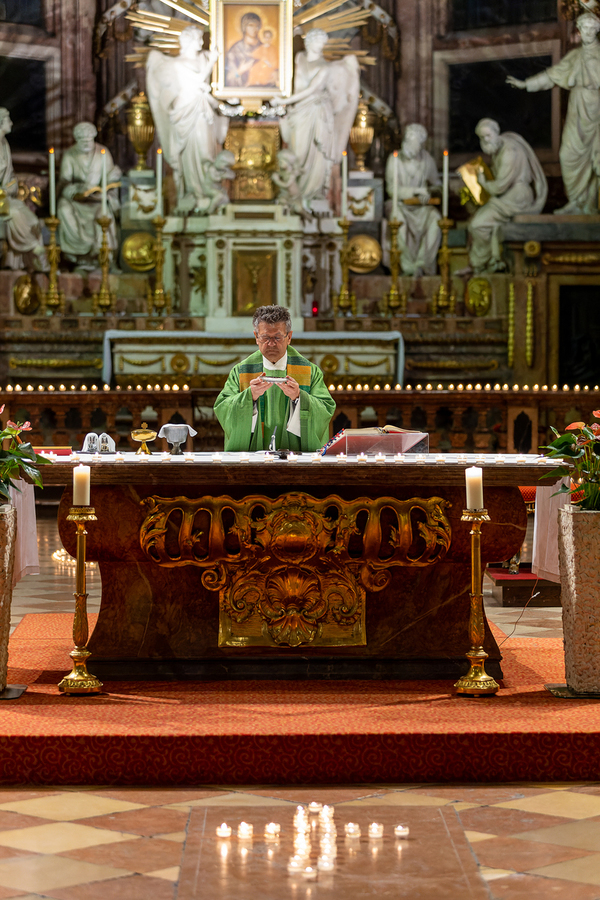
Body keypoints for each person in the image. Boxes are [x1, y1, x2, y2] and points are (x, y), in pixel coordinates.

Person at [507, 13, 600, 215]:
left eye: (592, 29)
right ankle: (577, 201)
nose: (588, 32)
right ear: (579, 30)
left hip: (597, 110)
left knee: (597, 158)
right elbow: (551, 76)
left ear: (597, 31)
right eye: (584, 28)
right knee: (567, 155)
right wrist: (526, 84)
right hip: (578, 107)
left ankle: (591, 204)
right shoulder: (575, 57)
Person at [214, 305, 335, 452]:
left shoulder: (310, 372)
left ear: (289, 337)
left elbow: (325, 409)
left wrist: (298, 397)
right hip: (253, 458)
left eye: (277, 337)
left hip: (296, 458)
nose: (271, 343)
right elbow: (223, 407)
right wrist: (249, 397)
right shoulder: (241, 372)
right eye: (265, 338)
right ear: (256, 337)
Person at [277, 28, 359, 208]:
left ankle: (311, 194)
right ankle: (294, 193)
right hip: (298, 112)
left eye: (322, 43)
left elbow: (311, 90)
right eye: (317, 42)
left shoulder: (325, 67)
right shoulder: (299, 57)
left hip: (316, 111)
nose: (320, 46)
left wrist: (283, 101)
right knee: (298, 151)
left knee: (316, 154)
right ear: (308, 42)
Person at [147, 26, 227, 210]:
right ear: (189, 41)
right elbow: (198, 81)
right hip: (184, 112)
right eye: (198, 38)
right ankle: (193, 193)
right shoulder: (177, 64)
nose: (201, 42)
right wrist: (212, 61)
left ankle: (208, 191)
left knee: (206, 152)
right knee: (189, 154)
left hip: (202, 109)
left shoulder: (203, 57)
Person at [467, 118, 547, 272]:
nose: (485, 140)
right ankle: (484, 261)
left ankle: (480, 263)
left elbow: (499, 187)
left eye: (488, 135)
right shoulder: (501, 145)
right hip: (509, 196)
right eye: (482, 138)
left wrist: (483, 183)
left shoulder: (509, 152)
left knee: (477, 225)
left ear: (496, 132)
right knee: (477, 221)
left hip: (517, 197)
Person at [57, 121, 121, 268]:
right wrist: (75, 190)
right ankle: (80, 253)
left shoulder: (103, 152)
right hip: (76, 201)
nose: (86, 143)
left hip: (97, 199)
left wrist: (109, 182)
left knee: (104, 214)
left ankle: (102, 255)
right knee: (63, 209)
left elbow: (110, 177)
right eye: (82, 140)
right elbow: (64, 183)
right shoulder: (70, 154)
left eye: (89, 140)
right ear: (76, 140)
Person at [384, 124, 441, 276]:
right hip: (399, 205)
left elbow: (437, 185)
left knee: (435, 219)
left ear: (420, 145)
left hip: (421, 207)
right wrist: (415, 191)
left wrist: (429, 193)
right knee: (397, 219)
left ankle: (422, 264)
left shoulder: (427, 160)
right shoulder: (394, 159)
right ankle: (407, 265)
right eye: (407, 141)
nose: (408, 144)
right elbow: (391, 189)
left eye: (412, 142)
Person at [0, 108, 47, 270]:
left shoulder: (4, 144)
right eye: (8, 120)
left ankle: (30, 262)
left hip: (4, 197)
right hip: (1, 199)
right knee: (15, 213)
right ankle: (33, 247)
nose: (11, 123)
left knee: (30, 218)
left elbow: (10, 175)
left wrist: (10, 185)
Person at [225, 12, 263, 88]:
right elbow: (229, 80)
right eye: (251, 25)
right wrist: (240, 71)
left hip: (263, 89)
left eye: (257, 26)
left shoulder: (264, 48)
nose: (254, 29)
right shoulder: (235, 50)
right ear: (244, 27)